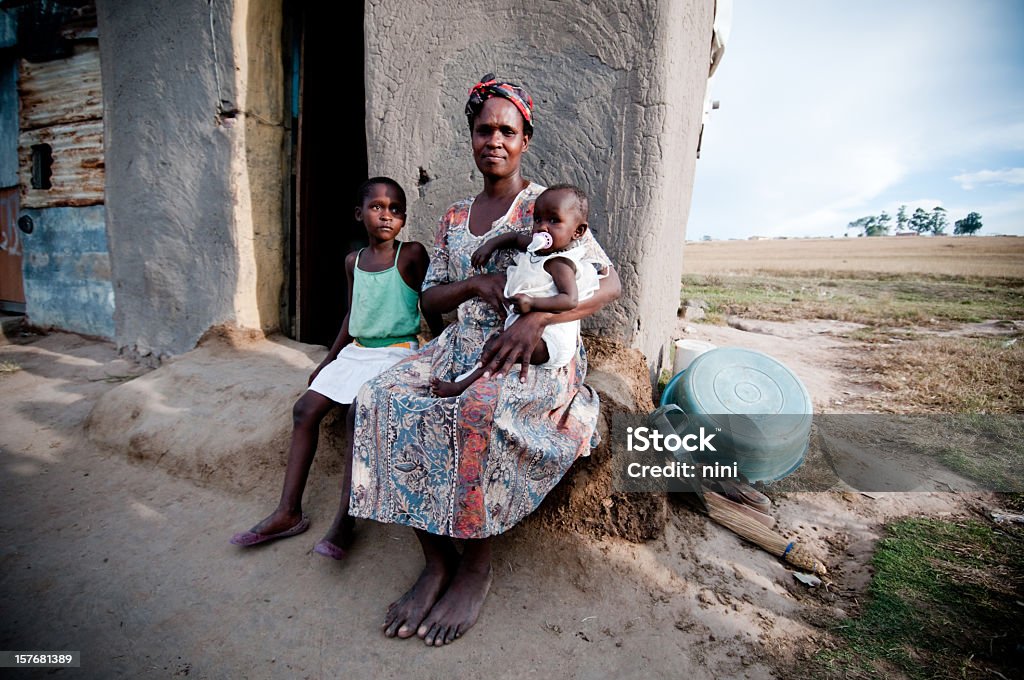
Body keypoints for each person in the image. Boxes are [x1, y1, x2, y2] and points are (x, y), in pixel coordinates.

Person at [339, 74, 622, 646]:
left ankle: (475, 564)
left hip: (534, 354)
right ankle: (437, 558)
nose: (495, 139)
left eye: (507, 130)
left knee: (476, 412)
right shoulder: (452, 217)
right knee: (375, 400)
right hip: (461, 342)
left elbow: (609, 284)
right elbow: (431, 298)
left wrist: (538, 317)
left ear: (525, 139)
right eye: (484, 129)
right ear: (470, 137)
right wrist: (475, 284)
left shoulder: (545, 205)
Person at [229, 177, 438, 558]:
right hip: (356, 352)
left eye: (394, 209)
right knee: (304, 409)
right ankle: (287, 511)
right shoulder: (353, 262)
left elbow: (430, 303)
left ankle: (346, 520)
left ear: (404, 218)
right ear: (360, 214)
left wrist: (441, 350)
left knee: (359, 413)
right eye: (376, 207)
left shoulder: (411, 255)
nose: (386, 215)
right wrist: (327, 360)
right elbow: (352, 315)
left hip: (396, 353)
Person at [429, 184, 601, 397]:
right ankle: (466, 383)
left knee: (499, 352)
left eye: (554, 221)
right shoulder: (537, 249)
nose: (543, 228)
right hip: (520, 328)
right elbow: (513, 238)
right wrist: (490, 246)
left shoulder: (560, 263)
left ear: (578, 231)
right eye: (538, 220)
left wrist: (533, 305)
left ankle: (462, 387)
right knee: (495, 348)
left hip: (550, 339)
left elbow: (569, 300)